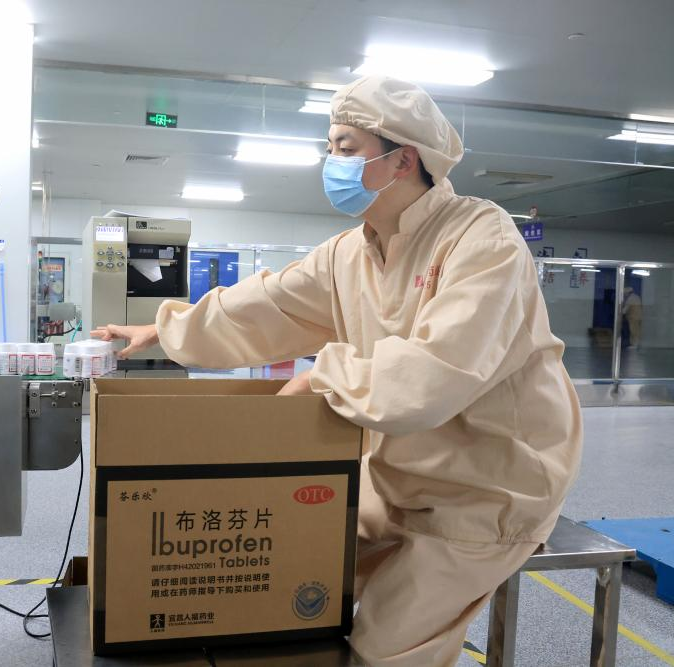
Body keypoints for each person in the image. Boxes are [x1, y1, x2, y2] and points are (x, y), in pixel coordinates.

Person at [92, 75, 582, 667]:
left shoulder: (481, 238)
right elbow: (266, 305)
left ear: (403, 160)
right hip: (394, 478)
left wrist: (322, 375)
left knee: (383, 647)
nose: (332, 163)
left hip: (485, 491)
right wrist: (163, 330)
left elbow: (432, 377)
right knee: (281, 576)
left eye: (346, 148)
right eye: (329, 148)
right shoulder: (351, 251)